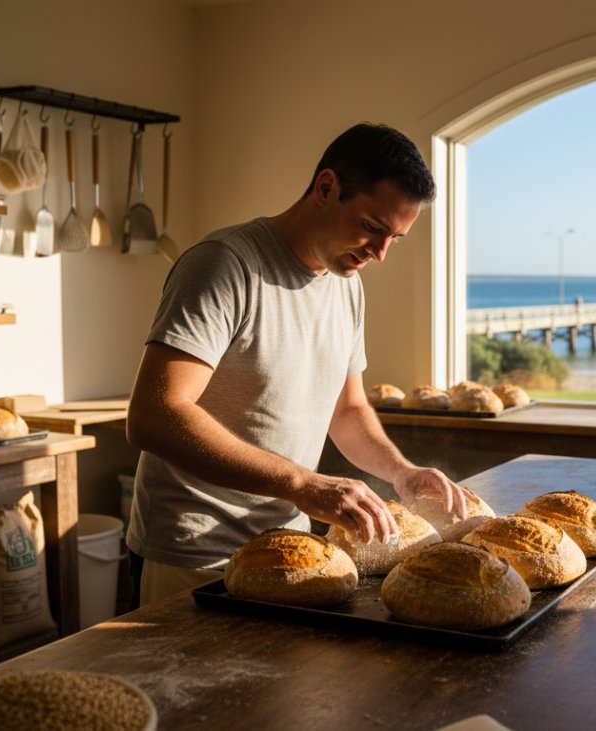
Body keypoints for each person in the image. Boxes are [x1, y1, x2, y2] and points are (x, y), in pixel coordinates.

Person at [124, 122, 470, 605]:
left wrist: (401, 471)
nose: (381, 253)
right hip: (195, 556)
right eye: (373, 228)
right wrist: (302, 483)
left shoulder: (347, 283)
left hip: (292, 550)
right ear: (326, 187)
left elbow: (347, 410)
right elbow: (154, 416)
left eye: (396, 238)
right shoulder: (224, 265)